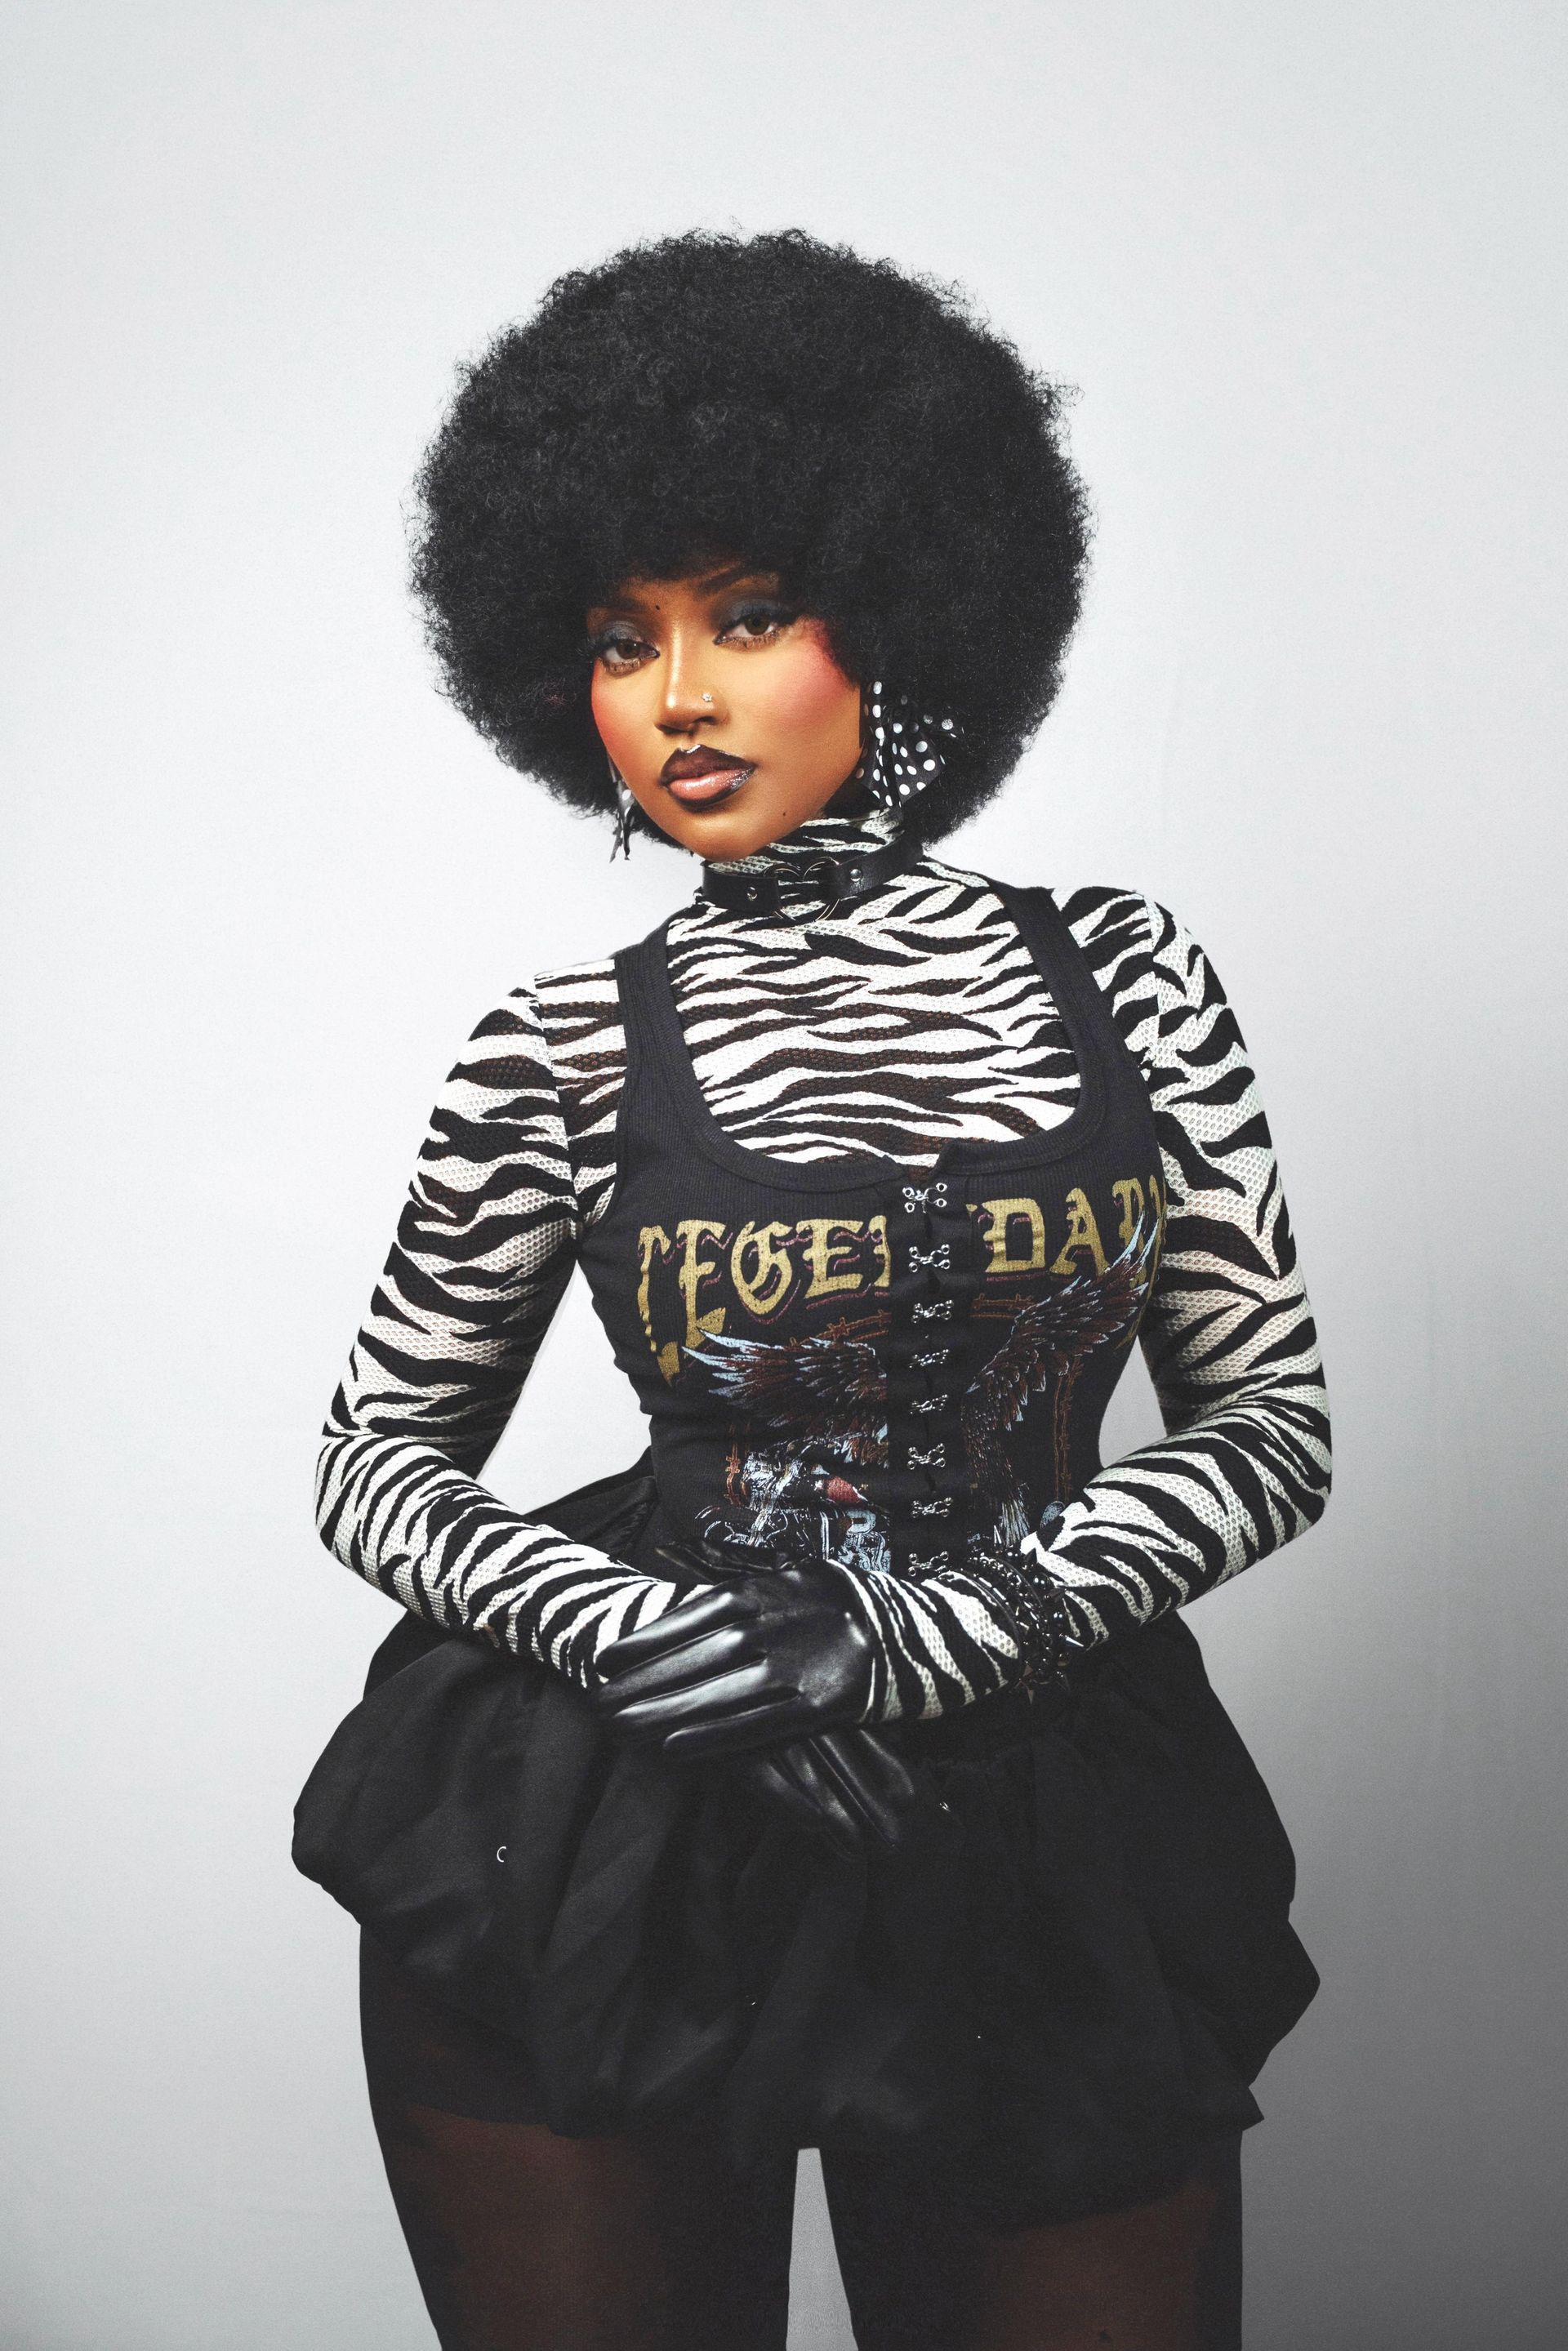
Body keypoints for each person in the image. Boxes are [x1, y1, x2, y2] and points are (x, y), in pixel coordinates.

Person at [311, 229, 1331, 2349]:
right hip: (610, 1818)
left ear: (907, 607)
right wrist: (662, 1644)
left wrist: (918, 1639)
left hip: (1031, 1806)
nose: (676, 697)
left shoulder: (1126, 978)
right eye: (622, 640)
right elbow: (376, 1465)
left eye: (748, 615)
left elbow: (1271, 1428)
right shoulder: (560, 1048)